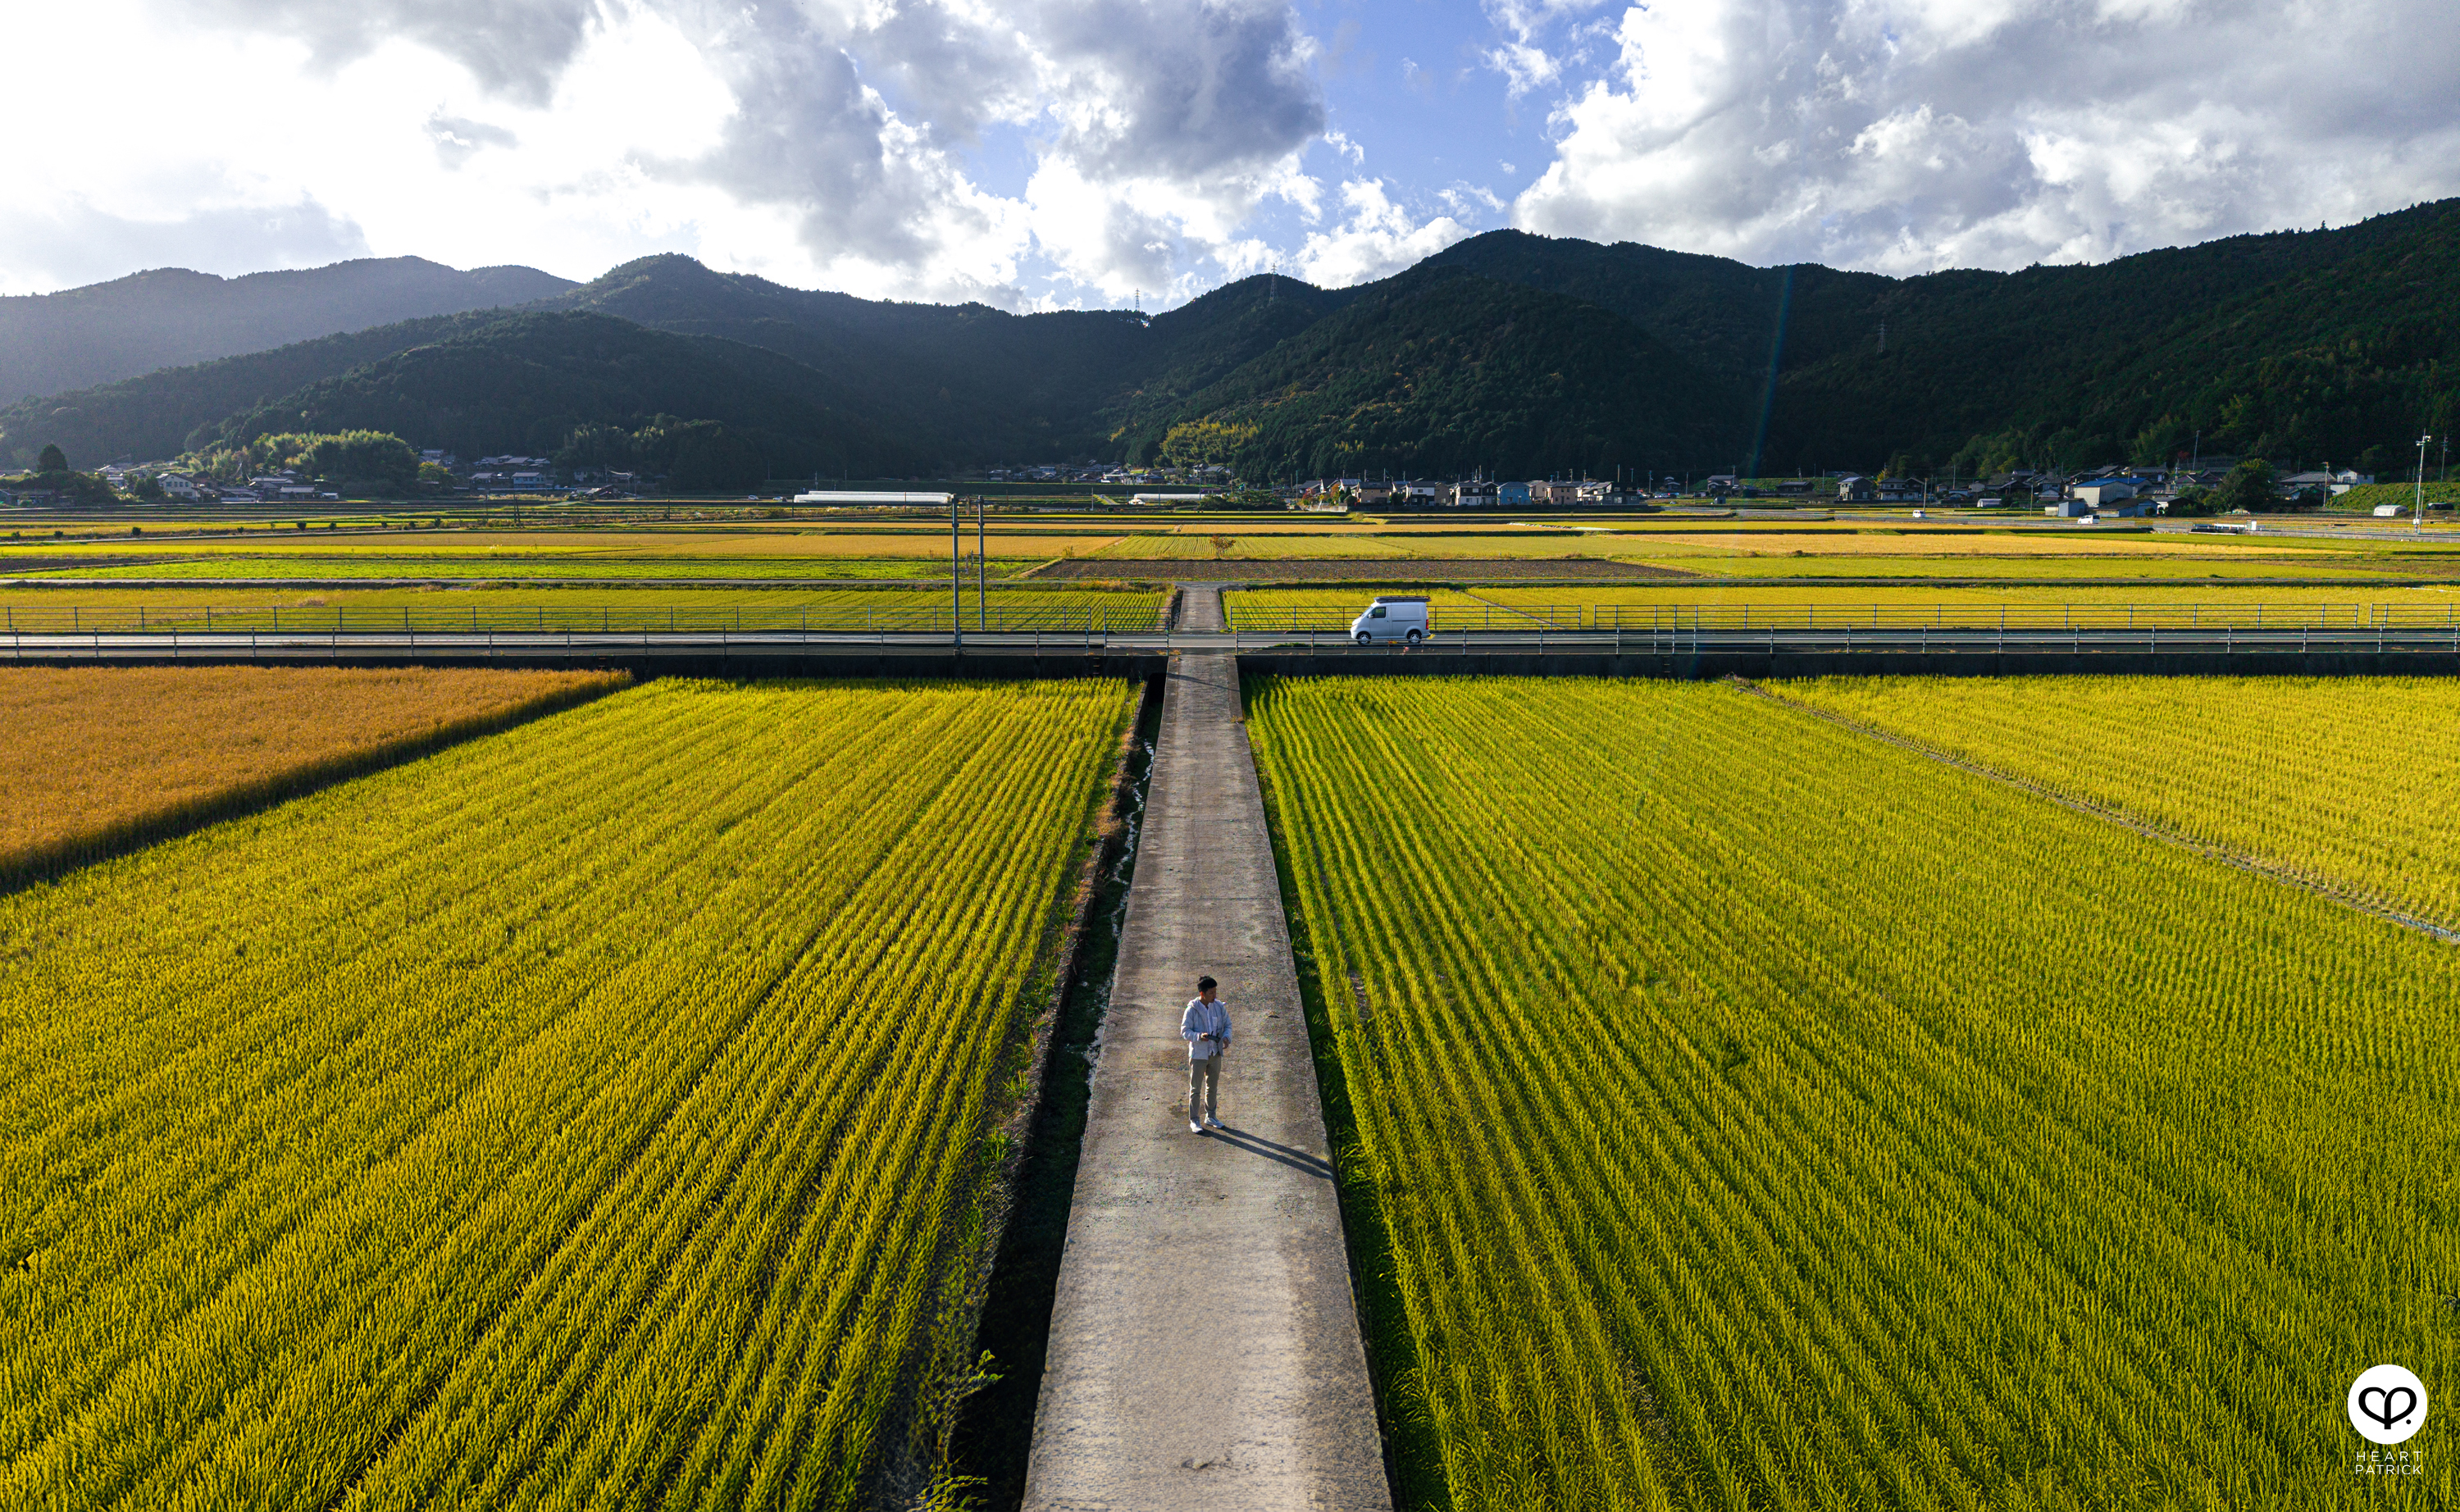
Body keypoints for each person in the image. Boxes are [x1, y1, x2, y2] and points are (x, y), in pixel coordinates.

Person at [1182, 976, 1232, 1132]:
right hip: (1198, 1055)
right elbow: (1185, 1031)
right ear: (1202, 994)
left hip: (1215, 1053)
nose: (1215, 996)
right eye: (1211, 993)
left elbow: (1228, 1025)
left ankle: (1211, 1116)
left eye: (1215, 992)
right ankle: (1194, 1120)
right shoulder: (1192, 1009)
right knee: (1195, 1088)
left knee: (1212, 1087)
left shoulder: (1218, 1006)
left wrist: (1226, 1037)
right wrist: (1199, 1037)